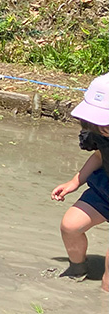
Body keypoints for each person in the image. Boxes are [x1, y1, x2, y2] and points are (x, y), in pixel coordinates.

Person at [51, 73, 109, 288]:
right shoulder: (100, 134)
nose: (102, 128)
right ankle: (77, 268)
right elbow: (99, 156)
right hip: (105, 187)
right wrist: (75, 181)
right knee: (70, 226)